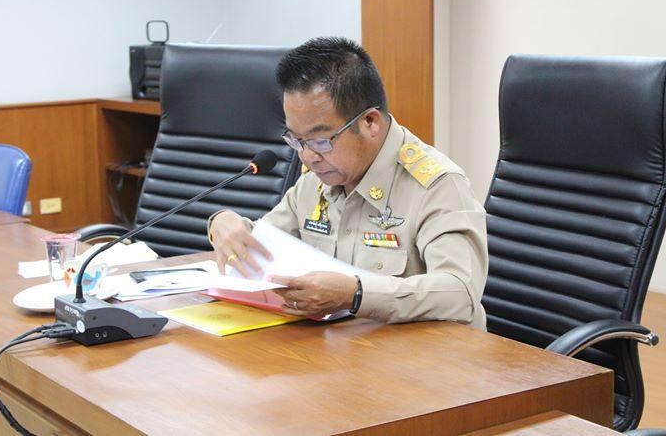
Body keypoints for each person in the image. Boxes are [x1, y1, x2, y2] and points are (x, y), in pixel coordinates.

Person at [207, 37, 488, 328]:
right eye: (296, 140)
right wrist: (224, 223)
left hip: (426, 352)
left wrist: (356, 295)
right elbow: (265, 245)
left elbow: (460, 293)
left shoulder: (437, 185)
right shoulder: (317, 179)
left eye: (320, 140)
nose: (308, 156)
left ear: (370, 122)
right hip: (344, 345)